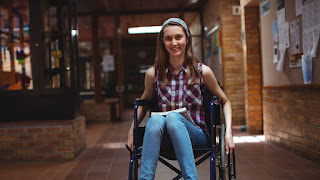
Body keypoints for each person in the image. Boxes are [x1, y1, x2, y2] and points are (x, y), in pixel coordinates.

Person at [127, 18, 235, 180]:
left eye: (178, 37)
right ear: (163, 42)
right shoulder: (153, 74)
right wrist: (131, 131)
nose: (174, 42)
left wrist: (229, 133)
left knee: (173, 117)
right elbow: (144, 103)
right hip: (163, 138)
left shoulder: (202, 72)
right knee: (155, 121)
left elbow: (225, 102)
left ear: (187, 39)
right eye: (168, 38)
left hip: (195, 137)